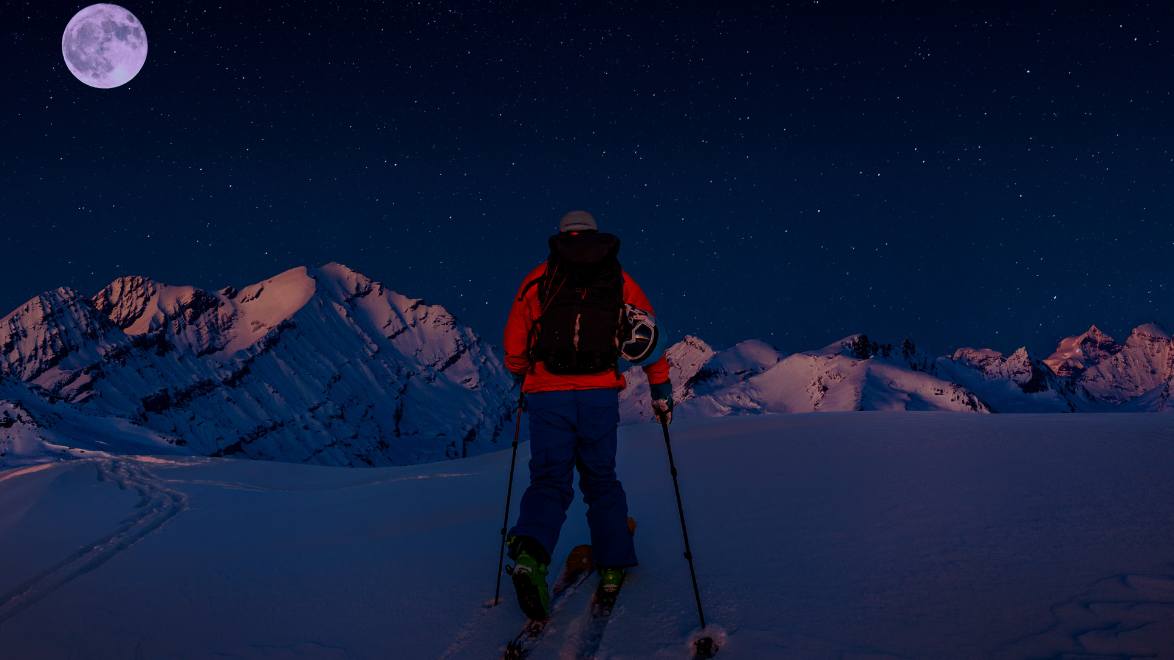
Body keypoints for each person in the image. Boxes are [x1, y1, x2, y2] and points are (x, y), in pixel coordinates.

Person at [502, 209, 673, 621]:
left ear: (559, 236)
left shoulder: (539, 277)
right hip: (598, 394)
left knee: (548, 480)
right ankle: (612, 566)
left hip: (547, 394)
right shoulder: (619, 278)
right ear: (597, 236)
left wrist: (522, 374)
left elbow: (515, 339)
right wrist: (660, 389)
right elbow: (650, 335)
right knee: (601, 479)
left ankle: (530, 555)